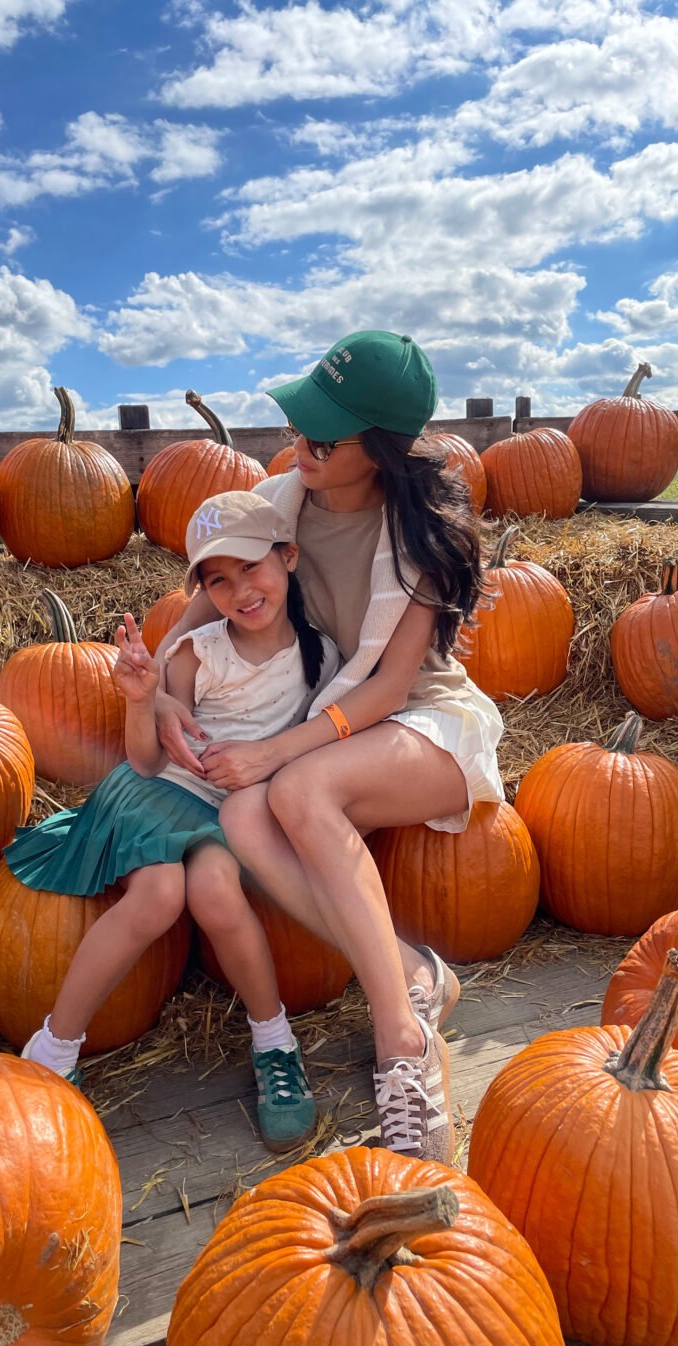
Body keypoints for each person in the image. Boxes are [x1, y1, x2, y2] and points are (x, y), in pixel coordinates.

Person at [153, 330, 505, 1164]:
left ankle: (402, 1041)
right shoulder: (276, 503)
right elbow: (198, 609)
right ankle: (413, 969)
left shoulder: (418, 534)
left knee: (290, 792)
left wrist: (277, 755)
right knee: (242, 814)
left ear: (378, 450)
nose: (302, 448)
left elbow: (388, 690)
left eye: (324, 437)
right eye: (302, 427)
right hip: (332, 726)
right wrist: (167, 690)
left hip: (421, 724)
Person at [5, 489, 340, 1153]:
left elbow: (313, 745)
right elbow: (145, 756)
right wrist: (140, 698)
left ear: (290, 557)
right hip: (157, 790)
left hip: (224, 811)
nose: (240, 590)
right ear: (205, 591)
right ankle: (51, 1050)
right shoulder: (195, 651)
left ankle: (274, 1043)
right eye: (219, 580)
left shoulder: (320, 657)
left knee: (215, 890)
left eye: (252, 568)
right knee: (158, 894)